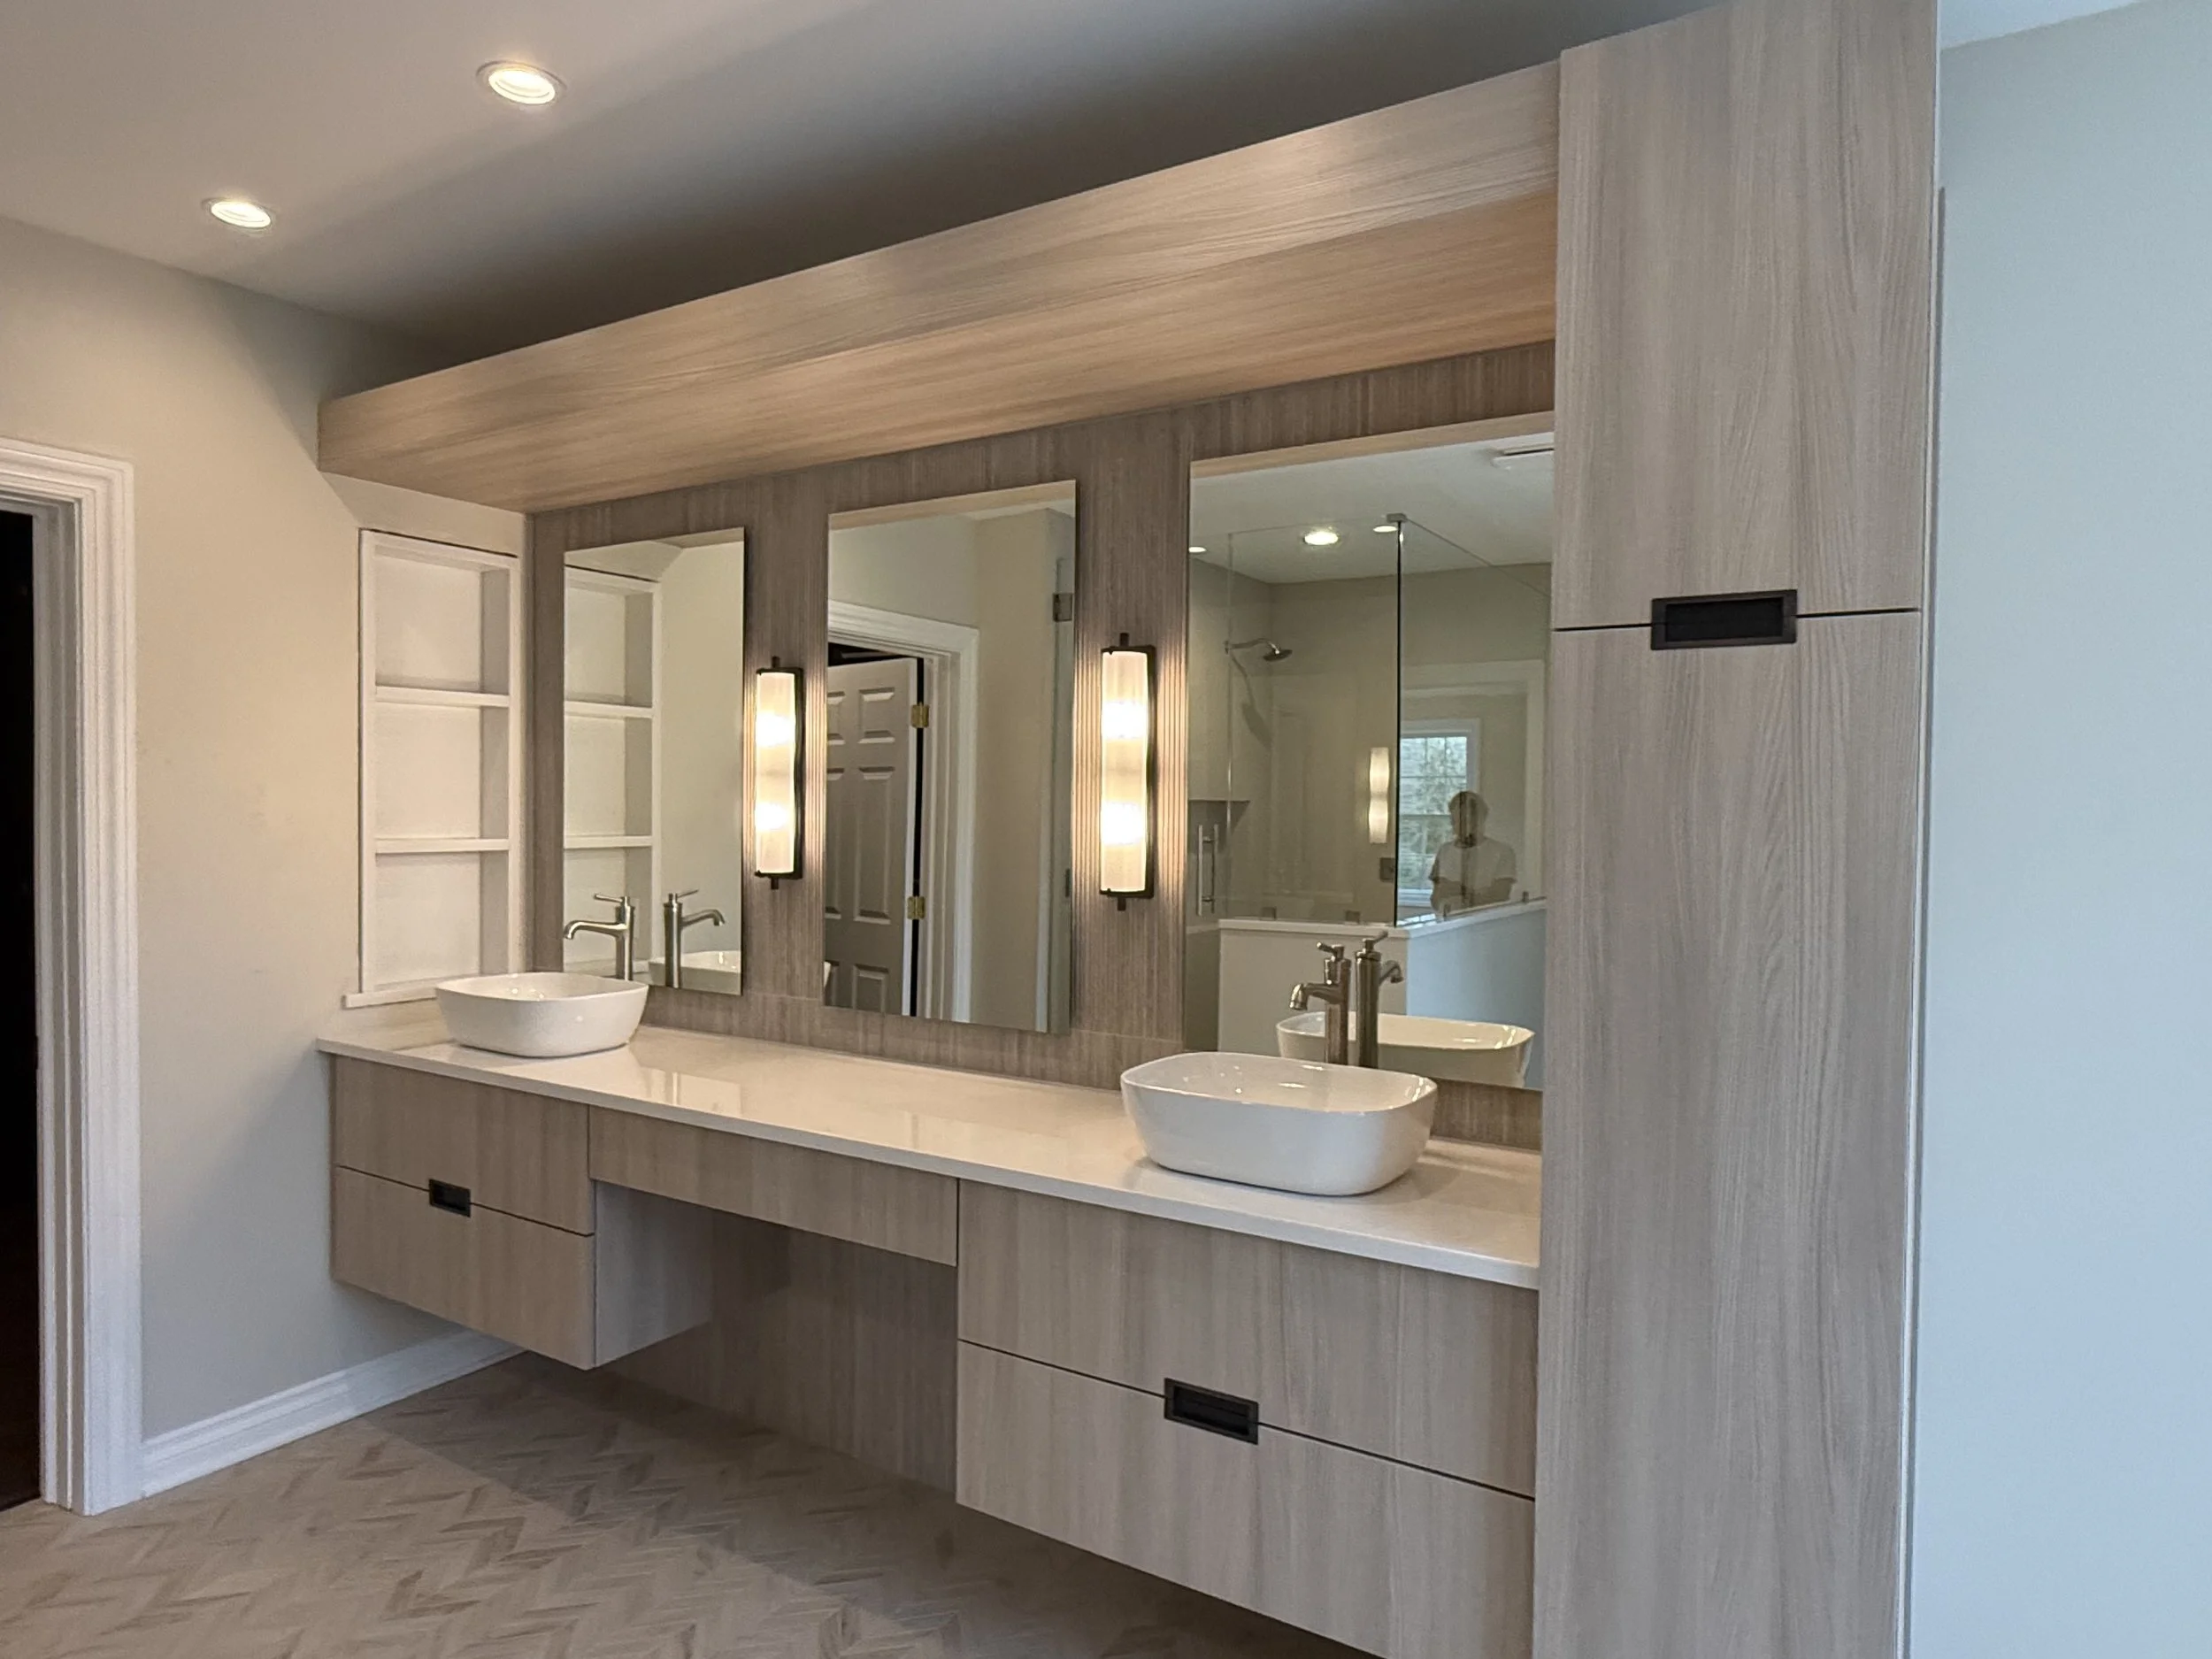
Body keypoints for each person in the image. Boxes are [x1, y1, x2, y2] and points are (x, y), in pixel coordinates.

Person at [1428, 791, 1517, 916]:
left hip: (1484, 924)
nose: (1458, 826)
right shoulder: (1444, 851)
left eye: (1465, 820)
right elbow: (1435, 899)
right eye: (1454, 821)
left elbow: (1500, 896)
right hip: (1448, 924)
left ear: (1480, 819)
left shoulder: (1502, 852)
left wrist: (1460, 890)